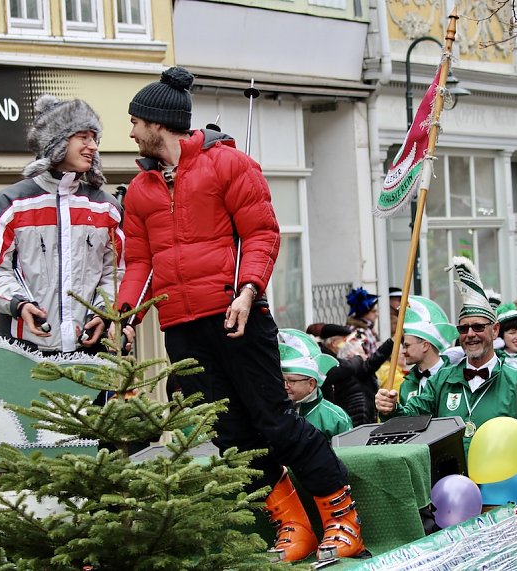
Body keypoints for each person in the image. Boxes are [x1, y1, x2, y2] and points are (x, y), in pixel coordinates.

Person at [117, 67, 365, 563]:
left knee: (276, 424)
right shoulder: (140, 189)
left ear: (158, 123)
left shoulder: (229, 165)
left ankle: (343, 522)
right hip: (181, 327)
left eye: (135, 122)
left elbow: (262, 234)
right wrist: (126, 314)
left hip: (238, 314)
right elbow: (140, 262)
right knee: (231, 439)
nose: (130, 132)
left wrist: (249, 291)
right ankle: (293, 526)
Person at [375, 257, 517, 514]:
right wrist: (390, 409)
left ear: (495, 330)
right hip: (451, 504)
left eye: (478, 327)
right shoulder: (441, 381)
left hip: (503, 504)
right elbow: (409, 421)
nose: (470, 334)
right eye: (464, 328)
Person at [0, 95, 124, 355]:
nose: (92, 146)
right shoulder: (10, 203)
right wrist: (20, 305)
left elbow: (115, 272)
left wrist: (103, 312)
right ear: (56, 141)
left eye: (94, 138)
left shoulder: (106, 207)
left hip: (89, 353)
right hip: (24, 353)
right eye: (83, 137)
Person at [278, 329, 352, 439]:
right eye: (283, 380)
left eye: (291, 381)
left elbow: (348, 454)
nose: (285, 386)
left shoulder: (336, 417)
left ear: (311, 384)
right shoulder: (276, 413)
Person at [396, 295, 458, 405]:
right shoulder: (406, 385)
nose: (403, 351)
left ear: (425, 345)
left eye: (407, 345)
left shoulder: (454, 377)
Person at [345, 286, 379, 357]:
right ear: (364, 313)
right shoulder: (359, 331)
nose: (377, 315)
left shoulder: (367, 328)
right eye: (373, 311)